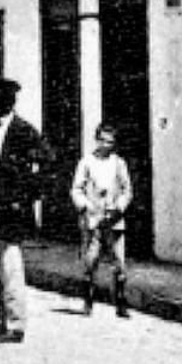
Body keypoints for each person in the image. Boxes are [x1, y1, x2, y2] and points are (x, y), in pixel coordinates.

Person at [0, 78, 51, 343]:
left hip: (8, 209)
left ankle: (16, 325)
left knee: (9, 266)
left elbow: (47, 164)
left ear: (9, 102)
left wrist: (24, 198)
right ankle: (3, 320)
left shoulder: (23, 131)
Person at [70, 121, 133, 317]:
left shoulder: (118, 163)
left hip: (113, 220)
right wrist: (85, 206)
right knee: (90, 261)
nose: (105, 145)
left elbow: (127, 190)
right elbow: (76, 189)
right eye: (102, 140)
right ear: (96, 140)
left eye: (110, 142)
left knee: (119, 263)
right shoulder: (86, 162)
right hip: (93, 220)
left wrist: (119, 207)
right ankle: (88, 301)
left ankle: (120, 303)